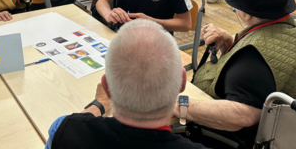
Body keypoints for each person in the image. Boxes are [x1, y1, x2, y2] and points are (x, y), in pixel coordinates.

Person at [180, 0, 296, 148]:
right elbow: (271, 58)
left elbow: (241, 116)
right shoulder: (293, 29)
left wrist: (179, 105)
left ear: (246, 13)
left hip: (248, 139)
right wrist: (231, 43)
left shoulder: (252, 62)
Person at [45, 20, 207, 149]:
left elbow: (71, 123)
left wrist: (98, 105)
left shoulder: (63, 131)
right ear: (182, 82)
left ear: (107, 88)